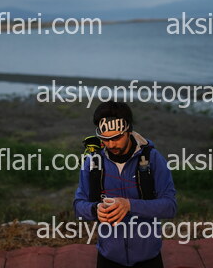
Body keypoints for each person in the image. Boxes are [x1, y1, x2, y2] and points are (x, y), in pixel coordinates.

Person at [74, 101, 177, 267]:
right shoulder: (92, 162)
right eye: (105, 139)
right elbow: (78, 206)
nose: (111, 144)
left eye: (116, 137)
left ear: (128, 130)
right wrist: (95, 209)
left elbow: (170, 207)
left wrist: (129, 205)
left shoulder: (153, 158)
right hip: (108, 258)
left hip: (148, 258)